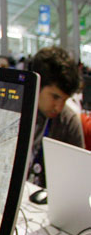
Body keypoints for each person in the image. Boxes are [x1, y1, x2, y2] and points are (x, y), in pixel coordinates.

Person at [28, 46, 83, 187]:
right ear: (37, 85)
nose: (59, 107)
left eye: (65, 100)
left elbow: (79, 176)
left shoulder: (69, 122)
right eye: (55, 97)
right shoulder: (13, 110)